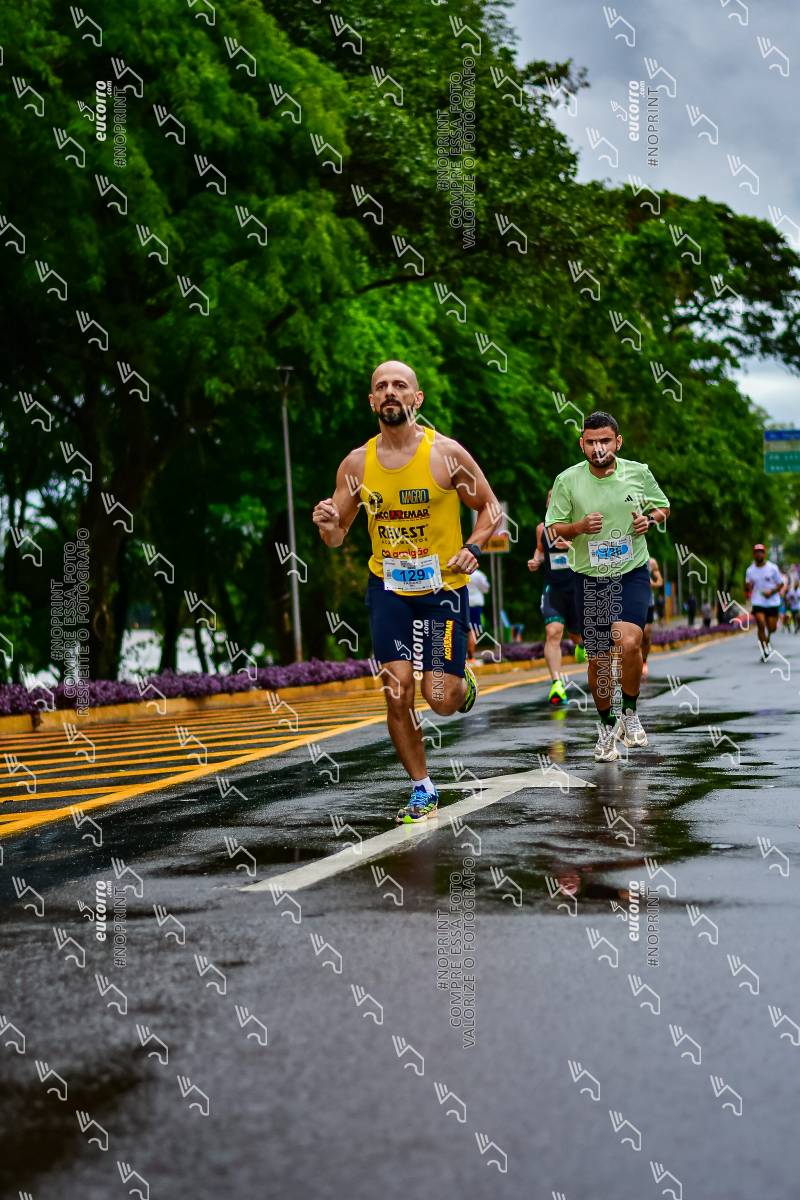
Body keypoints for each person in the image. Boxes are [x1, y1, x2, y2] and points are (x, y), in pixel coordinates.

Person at [312, 360, 500, 823]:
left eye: (400, 385)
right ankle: (422, 788)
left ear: (417, 399)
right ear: (372, 401)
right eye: (381, 386)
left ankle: (461, 683)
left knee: (439, 697)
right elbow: (336, 537)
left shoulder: (445, 454)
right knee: (397, 690)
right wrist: (327, 523)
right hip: (388, 587)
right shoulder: (357, 464)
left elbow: (490, 508)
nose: (390, 392)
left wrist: (473, 547)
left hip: (442, 589)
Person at [545, 411, 670, 761]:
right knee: (599, 661)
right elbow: (553, 527)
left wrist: (650, 520)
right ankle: (606, 724)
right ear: (582, 444)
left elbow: (663, 507)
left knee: (629, 642)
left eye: (605, 441)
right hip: (590, 577)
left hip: (631, 571)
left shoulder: (638, 472)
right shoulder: (568, 481)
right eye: (591, 442)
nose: (598, 448)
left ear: (618, 442)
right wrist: (578, 527)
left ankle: (629, 712)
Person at [528, 492, 587, 706]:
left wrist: (570, 546)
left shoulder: (577, 527)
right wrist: (536, 560)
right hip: (553, 589)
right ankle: (557, 684)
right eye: (550, 502)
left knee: (576, 635)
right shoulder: (542, 529)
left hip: (576, 588)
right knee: (553, 632)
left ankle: (580, 644)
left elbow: (590, 554)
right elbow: (540, 550)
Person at [744, 543, 784, 659]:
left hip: (772, 601)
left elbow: (781, 584)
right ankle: (765, 649)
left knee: (772, 628)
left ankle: (768, 638)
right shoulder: (750, 570)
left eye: (761, 552)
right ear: (754, 554)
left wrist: (771, 592)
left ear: (764, 554)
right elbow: (748, 586)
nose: (759, 554)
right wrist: (748, 587)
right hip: (758, 601)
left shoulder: (772, 568)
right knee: (761, 624)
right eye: (756, 552)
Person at [640, 555, 663, 679]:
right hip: (632, 602)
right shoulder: (627, 558)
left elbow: (660, 581)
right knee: (635, 635)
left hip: (648, 602)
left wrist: (653, 584)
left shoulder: (651, 562)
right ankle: (635, 660)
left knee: (646, 634)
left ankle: (644, 661)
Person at [466, 565, 490, 660]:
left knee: (464, 629)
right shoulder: (479, 575)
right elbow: (486, 589)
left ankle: (463, 656)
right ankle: (471, 656)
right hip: (476, 604)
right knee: (473, 630)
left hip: (463, 603)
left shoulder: (460, 573)